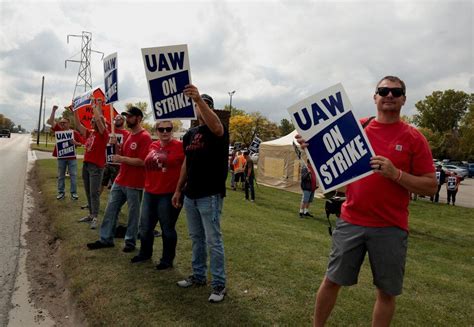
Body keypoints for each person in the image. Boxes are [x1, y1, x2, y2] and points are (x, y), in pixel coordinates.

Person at [297, 76, 437, 326]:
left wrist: (397, 174)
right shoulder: (358, 127)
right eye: (383, 90)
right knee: (331, 280)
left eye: (396, 92)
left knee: (386, 292)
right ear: (375, 97)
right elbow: (325, 148)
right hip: (351, 220)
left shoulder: (414, 138)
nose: (389, 95)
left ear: (404, 99)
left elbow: (430, 185)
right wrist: (310, 143)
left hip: (391, 227)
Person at [172, 85, 229, 303]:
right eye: (197, 106)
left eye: (204, 106)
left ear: (210, 109)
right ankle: (198, 276)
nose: (200, 110)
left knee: (213, 240)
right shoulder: (190, 134)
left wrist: (199, 99)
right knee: (196, 238)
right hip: (191, 194)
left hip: (210, 195)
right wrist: (178, 189)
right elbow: (186, 162)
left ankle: (218, 285)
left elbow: (214, 125)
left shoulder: (218, 130)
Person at [87, 106, 152, 252]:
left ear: (139, 118)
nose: (127, 119)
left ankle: (130, 242)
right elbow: (122, 153)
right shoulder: (129, 135)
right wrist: (116, 146)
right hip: (120, 179)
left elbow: (142, 161)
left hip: (134, 183)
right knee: (111, 209)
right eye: (126, 116)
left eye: (130, 116)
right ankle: (105, 239)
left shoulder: (145, 137)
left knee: (133, 214)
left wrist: (121, 158)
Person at [131, 120, 184, 269]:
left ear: (172, 130)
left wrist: (180, 190)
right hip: (149, 192)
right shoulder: (152, 146)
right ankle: (145, 253)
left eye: (168, 129)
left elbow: (187, 168)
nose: (165, 132)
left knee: (167, 228)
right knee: (145, 227)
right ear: (157, 131)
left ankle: (167, 260)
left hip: (168, 194)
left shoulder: (180, 147)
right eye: (161, 129)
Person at [73, 98, 109, 229]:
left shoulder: (104, 134)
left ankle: (95, 217)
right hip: (87, 165)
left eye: (95, 121)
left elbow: (99, 119)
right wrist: (75, 110)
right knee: (88, 192)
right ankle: (90, 214)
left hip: (96, 167)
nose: (92, 122)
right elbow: (78, 125)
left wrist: (95, 106)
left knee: (94, 192)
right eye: (92, 121)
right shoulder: (91, 133)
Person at [46, 105, 83, 200]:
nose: (62, 124)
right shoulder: (59, 130)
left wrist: (75, 143)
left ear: (69, 123)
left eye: (64, 123)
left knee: (73, 176)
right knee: (61, 176)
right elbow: (51, 121)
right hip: (61, 158)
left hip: (72, 158)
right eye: (61, 122)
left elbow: (81, 144)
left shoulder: (74, 133)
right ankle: (61, 192)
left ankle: (74, 193)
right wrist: (53, 110)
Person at [101, 115, 130, 194]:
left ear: (123, 121)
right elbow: (101, 117)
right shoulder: (111, 129)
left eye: (119, 118)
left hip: (118, 164)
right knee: (101, 184)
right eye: (115, 118)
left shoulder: (127, 134)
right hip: (107, 162)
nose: (116, 120)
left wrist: (116, 144)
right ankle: (94, 202)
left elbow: (125, 150)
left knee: (115, 187)